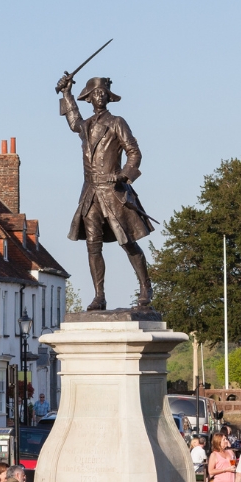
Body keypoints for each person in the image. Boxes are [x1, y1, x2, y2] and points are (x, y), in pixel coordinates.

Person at [55, 73, 156, 309]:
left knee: (127, 241)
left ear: (108, 97)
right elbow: (73, 122)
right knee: (93, 244)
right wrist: (66, 93)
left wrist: (123, 174)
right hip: (90, 192)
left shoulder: (117, 122)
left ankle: (145, 287)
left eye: (103, 93)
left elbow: (134, 153)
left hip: (113, 191)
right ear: (89, 98)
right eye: (95, 93)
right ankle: (99, 296)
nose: (100, 96)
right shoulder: (86, 125)